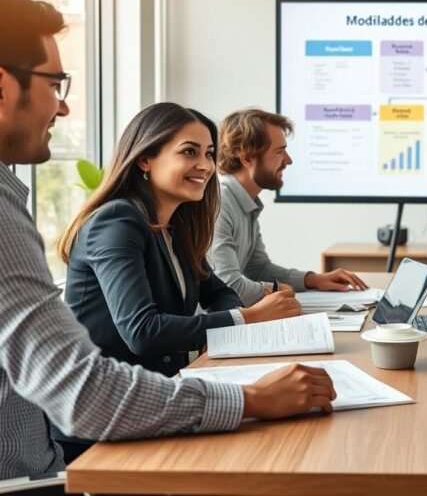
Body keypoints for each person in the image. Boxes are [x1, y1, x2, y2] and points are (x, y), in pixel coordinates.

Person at [0, 0, 335, 491]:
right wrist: (252, 400)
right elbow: (84, 393)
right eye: (55, 84)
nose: (61, 108)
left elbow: (213, 288)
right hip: (7, 485)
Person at [52, 102, 304, 461]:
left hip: (158, 397)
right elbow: (143, 332)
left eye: (209, 154)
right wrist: (247, 318)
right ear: (145, 159)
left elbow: (218, 293)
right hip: (102, 421)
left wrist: (231, 321)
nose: (205, 165)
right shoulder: (118, 221)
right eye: (189, 152)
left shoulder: (177, 224)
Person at [210, 108, 366, 305]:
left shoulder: (245, 203)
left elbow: (257, 268)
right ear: (247, 158)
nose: (288, 160)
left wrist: (313, 279)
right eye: (279, 151)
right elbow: (229, 286)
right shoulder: (220, 203)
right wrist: (278, 289)